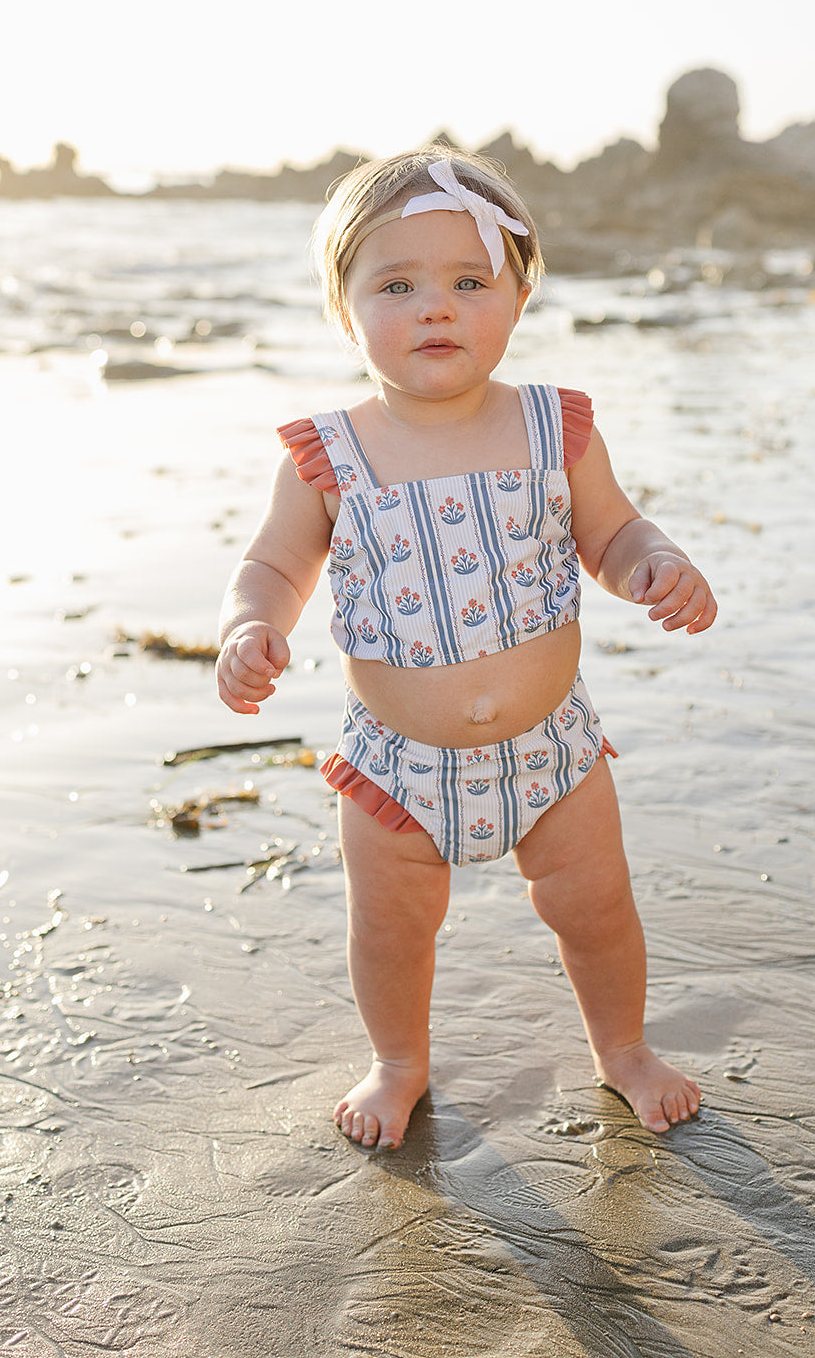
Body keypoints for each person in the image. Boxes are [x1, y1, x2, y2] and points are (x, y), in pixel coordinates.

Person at [217, 149, 717, 1150]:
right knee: (391, 931)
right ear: (343, 309)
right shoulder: (327, 454)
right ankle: (398, 1062)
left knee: (597, 910)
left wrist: (654, 563)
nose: (433, 307)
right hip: (397, 764)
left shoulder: (554, 428)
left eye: (467, 281)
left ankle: (621, 1049)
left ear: (520, 295)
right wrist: (249, 625)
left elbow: (612, 534)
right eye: (395, 285)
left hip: (552, 752)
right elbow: (274, 563)